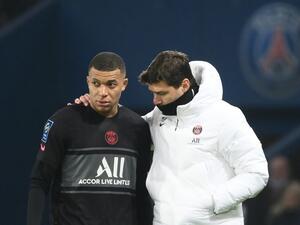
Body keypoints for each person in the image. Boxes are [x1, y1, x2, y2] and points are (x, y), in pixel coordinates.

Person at [76, 50, 269, 225]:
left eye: (162, 93)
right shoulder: (159, 115)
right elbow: (125, 127)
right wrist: (91, 108)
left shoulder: (226, 116)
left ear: (184, 85)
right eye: (152, 93)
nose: (155, 100)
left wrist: (211, 202)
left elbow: (256, 174)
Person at [27, 52, 153, 225]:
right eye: (96, 84)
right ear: (88, 82)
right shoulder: (62, 122)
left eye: (111, 84)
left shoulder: (138, 128)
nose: (102, 92)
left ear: (124, 84)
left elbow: (142, 191)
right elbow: (39, 181)